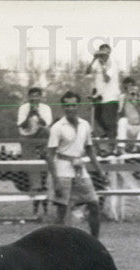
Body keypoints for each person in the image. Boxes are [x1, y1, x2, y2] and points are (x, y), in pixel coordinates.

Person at [46, 91, 104, 237]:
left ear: (78, 105)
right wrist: (56, 181)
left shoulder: (85, 125)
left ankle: (95, 242)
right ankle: (57, 247)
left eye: (73, 105)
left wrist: (100, 171)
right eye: (67, 105)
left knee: (94, 204)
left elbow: (90, 150)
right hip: (62, 171)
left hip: (80, 170)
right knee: (62, 211)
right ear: (63, 107)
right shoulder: (57, 127)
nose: (70, 108)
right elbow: (50, 155)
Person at [17, 86, 53, 199]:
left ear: (40, 97)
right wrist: (29, 115)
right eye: (32, 95)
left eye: (37, 95)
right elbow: (22, 126)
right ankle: (35, 186)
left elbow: (46, 124)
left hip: (41, 134)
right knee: (30, 160)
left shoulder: (46, 108)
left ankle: (45, 152)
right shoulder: (23, 108)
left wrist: (37, 114)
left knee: (46, 131)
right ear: (28, 97)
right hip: (27, 135)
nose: (34, 98)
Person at [86, 43, 120, 140]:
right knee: (97, 116)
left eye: (106, 52)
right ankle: (110, 135)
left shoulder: (112, 63)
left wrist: (103, 65)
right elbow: (87, 72)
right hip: (100, 96)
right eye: (101, 52)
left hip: (111, 96)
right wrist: (94, 59)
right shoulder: (97, 62)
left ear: (109, 52)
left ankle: (112, 140)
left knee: (109, 120)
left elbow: (106, 79)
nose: (104, 54)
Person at [116, 77, 140, 151]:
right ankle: (121, 147)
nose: (129, 88)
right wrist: (125, 100)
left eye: (131, 86)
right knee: (122, 120)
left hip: (139, 127)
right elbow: (120, 115)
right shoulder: (122, 97)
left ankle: (137, 146)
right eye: (126, 87)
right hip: (129, 128)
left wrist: (136, 101)